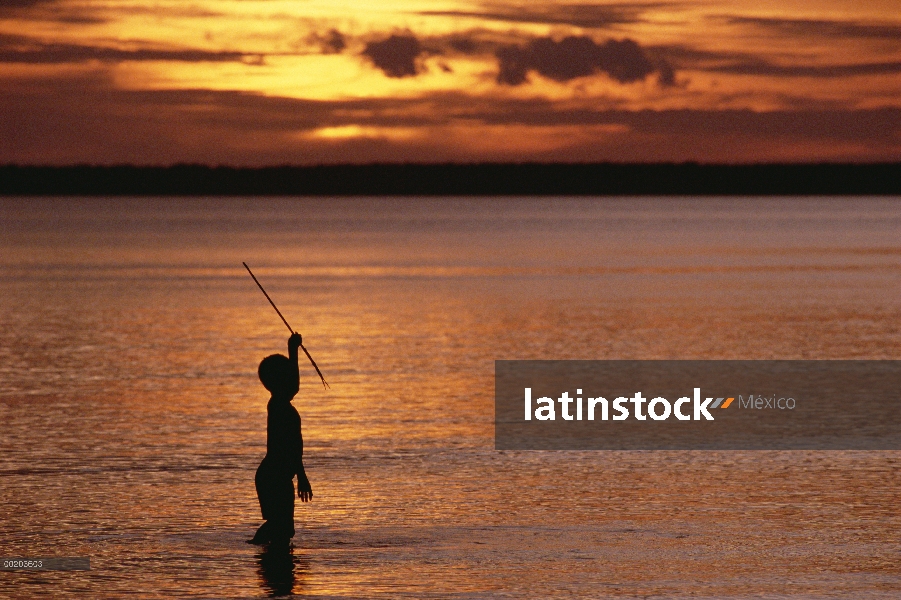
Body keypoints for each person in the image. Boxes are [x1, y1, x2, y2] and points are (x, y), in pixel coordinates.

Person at [248, 332, 313, 545]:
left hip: (278, 477)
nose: (292, 383)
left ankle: (271, 566)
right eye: (286, 376)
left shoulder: (281, 406)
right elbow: (289, 447)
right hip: (273, 478)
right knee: (281, 526)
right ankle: (256, 552)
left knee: (284, 530)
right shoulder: (277, 406)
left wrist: (299, 476)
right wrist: (292, 350)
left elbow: (293, 448)